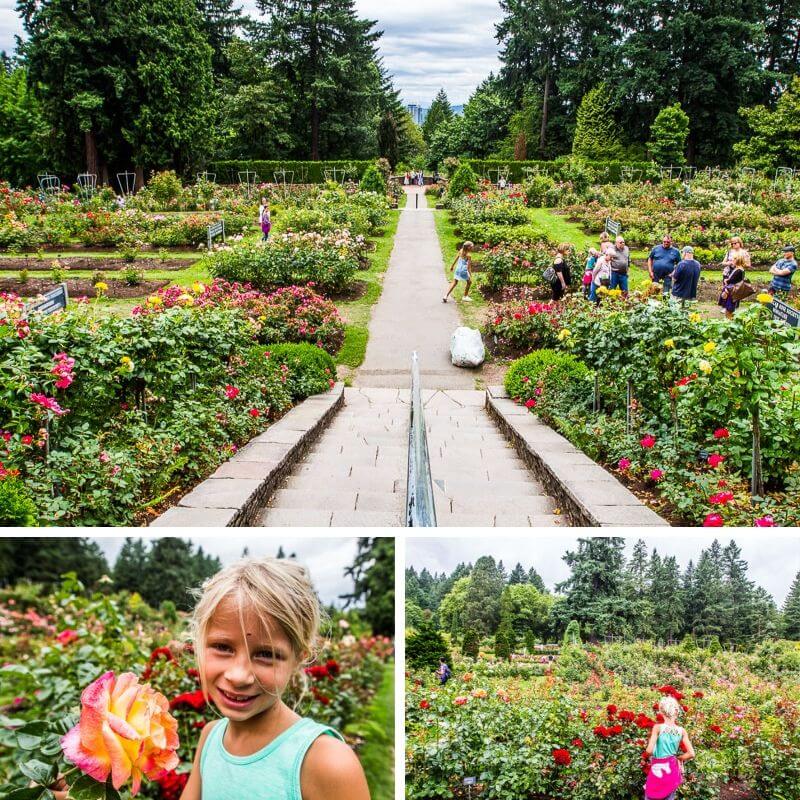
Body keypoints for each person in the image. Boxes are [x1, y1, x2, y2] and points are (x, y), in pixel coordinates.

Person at [177, 557, 370, 800]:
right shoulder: (210, 738)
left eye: (266, 654)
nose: (239, 676)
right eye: (223, 647)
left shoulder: (326, 763)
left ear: (299, 658)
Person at [643, 696, 695, 800]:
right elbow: (691, 753)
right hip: (671, 770)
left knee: (651, 795)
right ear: (676, 712)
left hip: (658, 770)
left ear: (661, 711)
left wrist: (649, 755)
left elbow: (648, 750)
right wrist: (679, 758)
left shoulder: (658, 728)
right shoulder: (682, 731)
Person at [718, 253, 748, 318]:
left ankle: (729, 321)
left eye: (733, 260)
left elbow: (733, 281)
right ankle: (729, 320)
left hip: (731, 291)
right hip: (732, 290)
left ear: (738, 261)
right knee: (729, 308)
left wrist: (726, 282)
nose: (732, 261)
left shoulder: (738, 270)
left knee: (729, 309)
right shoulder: (740, 269)